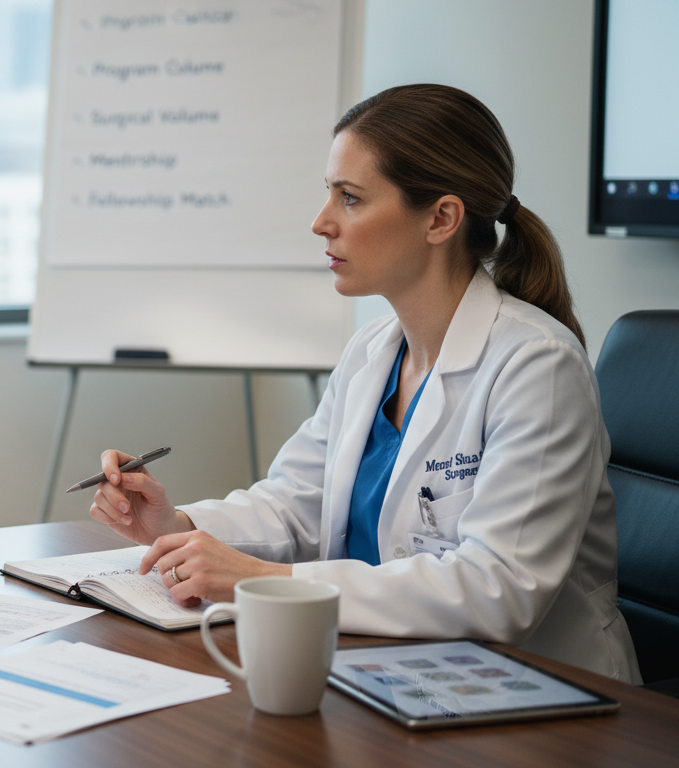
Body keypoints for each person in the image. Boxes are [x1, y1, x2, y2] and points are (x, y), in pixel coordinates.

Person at [89, 84, 641, 682]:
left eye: (349, 198)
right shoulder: (373, 351)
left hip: (539, 695)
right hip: (392, 674)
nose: (321, 222)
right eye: (329, 193)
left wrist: (265, 581)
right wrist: (179, 527)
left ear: (441, 218)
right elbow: (296, 506)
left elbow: (498, 590)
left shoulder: (538, 365)